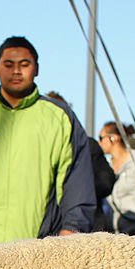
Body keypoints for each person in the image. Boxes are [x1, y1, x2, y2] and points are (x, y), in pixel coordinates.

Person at [0, 36, 95, 247]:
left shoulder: (60, 117)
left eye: (24, 64)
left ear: (37, 68)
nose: (16, 71)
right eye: (9, 65)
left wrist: (72, 230)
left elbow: (77, 182)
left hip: (40, 250)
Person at [46, 91, 115, 232]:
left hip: (86, 226)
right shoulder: (36, 148)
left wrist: (78, 188)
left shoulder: (88, 146)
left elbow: (106, 181)